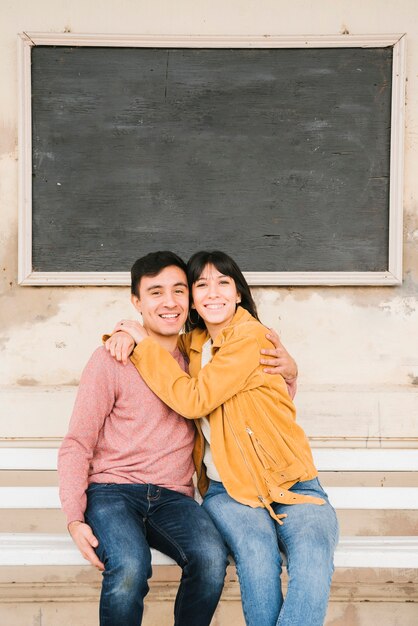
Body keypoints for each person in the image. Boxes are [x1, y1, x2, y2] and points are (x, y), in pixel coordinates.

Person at [106, 250, 339, 626]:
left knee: (313, 553)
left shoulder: (252, 337)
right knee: (256, 554)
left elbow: (193, 399)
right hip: (227, 490)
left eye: (223, 283)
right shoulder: (193, 344)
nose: (213, 293)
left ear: (238, 294)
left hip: (293, 484)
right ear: (193, 299)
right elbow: (157, 343)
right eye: (202, 285)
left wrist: (291, 371)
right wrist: (124, 332)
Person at [58, 251, 230, 626]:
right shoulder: (112, 359)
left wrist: (289, 369)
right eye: (155, 293)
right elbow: (77, 443)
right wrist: (74, 517)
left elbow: (259, 396)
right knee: (130, 566)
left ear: (190, 299)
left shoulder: (202, 360)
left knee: (212, 559)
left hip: (172, 496)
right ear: (136, 302)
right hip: (112, 492)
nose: (169, 302)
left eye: (178, 291)